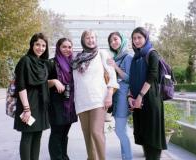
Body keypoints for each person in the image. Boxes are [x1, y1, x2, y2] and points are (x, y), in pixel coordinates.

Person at [71, 30, 119, 160]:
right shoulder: (76, 58)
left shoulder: (103, 54)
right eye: (87, 38)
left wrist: (109, 94)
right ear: (83, 40)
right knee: (87, 135)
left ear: (96, 39)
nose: (91, 40)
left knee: (96, 132)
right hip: (81, 102)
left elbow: (113, 76)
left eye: (93, 37)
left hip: (98, 100)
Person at [128, 27, 167, 160]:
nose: (137, 40)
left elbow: (152, 76)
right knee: (144, 135)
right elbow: (131, 78)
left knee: (152, 137)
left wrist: (139, 96)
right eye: (134, 38)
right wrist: (130, 96)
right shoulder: (136, 56)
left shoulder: (152, 53)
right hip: (139, 101)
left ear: (146, 38)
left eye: (139, 37)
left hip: (150, 99)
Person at [14, 33, 50, 160]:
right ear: (32, 45)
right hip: (28, 104)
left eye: (43, 45)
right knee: (27, 136)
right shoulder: (25, 61)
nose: (40, 48)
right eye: (37, 44)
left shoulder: (42, 63)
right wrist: (26, 109)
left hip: (40, 105)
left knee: (37, 136)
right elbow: (21, 86)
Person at [47, 38, 78, 160]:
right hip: (56, 104)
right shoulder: (51, 63)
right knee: (56, 133)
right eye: (64, 47)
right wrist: (54, 81)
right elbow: (42, 83)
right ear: (58, 48)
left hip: (69, 103)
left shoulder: (74, 64)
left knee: (65, 133)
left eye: (69, 47)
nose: (67, 49)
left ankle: (64, 157)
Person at [107, 32, 133, 160]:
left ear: (122, 40)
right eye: (111, 41)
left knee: (119, 130)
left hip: (123, 97)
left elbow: (129, 79)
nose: (113, 42)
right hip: (116, 97)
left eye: (115, 39)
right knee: (122, 130)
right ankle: (125, 157)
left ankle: (128, 157)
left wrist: (115, 67)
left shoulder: (128, 57)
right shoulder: (115, 57)